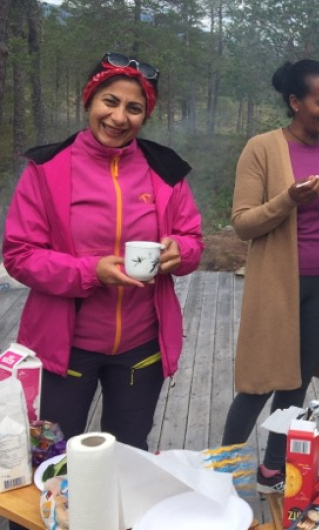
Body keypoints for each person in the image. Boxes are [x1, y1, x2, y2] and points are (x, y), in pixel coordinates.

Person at [2, 52, 203, 451]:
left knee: (127, 454)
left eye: (134, 108)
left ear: (145, 117)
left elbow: (192, 238)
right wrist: (93, 271)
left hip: (141, 346)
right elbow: (20, 254)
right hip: (65, 347)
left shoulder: (164, 169)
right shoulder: (47, 167)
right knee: (51, 456)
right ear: (89, 101)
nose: (118, 117)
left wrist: (181, 250)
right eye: (109, 101)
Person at [221, 59, 319, 493]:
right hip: (277, 285)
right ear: (294, 102)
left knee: (296, 381)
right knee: (259, 380)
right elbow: (243, 223)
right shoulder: (262, 148)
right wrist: (287, 199)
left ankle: (271, 468)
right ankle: (221, 468)